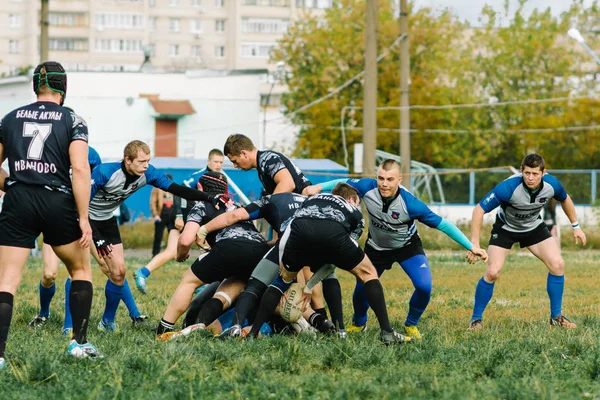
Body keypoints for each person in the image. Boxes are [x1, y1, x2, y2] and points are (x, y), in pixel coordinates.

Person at [302, 160, 488, 340]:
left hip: (407, 248)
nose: (384, 184)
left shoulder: (411, 204)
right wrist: (317, 188)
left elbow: (443, 225)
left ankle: (411, 324)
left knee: (424, 287)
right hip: (376, 249)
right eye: (380, 178)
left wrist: (472, 247)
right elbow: (342, 183)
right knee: (361, 289)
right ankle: (359, 323)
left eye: (389, 179)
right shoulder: (367, 187)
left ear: (399, 180)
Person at [0, 61, 101, 365]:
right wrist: (84, 218)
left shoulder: (10, 117)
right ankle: (78, 344)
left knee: (7, 279)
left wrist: (14, 187)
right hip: (57, 201)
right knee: (81, 270)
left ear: (35, 86)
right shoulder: (73, 119)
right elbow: (81, 169)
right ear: (63, 87)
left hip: (18, 201)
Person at [90, 141, 228, 332]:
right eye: (141, 161)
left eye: (148, 160)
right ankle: (69, 326)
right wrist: (96, 237)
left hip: (106, 220)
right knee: (80, 271)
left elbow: (176, 189)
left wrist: (209, 197)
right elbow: (78, 206)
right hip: (83, 219)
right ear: (127, 160)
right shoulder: (104, 172)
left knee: (119, 271)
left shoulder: (148, 173)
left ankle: (107, 322)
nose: (146, 165)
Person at [247, 183, 410, 344]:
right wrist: (310, 286)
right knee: (368, 274)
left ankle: (253, 332)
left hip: (298, 232)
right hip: (332, 231)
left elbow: (291, 226)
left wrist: (285, 263)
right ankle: (386, 332)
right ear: (353, 199)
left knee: (280, 282)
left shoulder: (310, 200)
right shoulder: (354, 211)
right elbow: (334, 260)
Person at [467, 153, 586, 330]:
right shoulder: (508, 187)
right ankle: (476, 320)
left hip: (533, 228)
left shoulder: (552, 184)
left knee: (558, 264)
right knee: (492, 272)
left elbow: (565, 198)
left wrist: (576, 226)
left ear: (543, 173)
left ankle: (556, 318)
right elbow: (479, 210)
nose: (530, 178)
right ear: (522, 170)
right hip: (505, 229)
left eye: (535, 174)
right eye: (527, 173)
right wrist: (474, 245)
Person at [194, 192, 338, 338]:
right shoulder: (308, 202)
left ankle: (236, 327)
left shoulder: (269, 201)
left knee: (256, 290)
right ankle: (327, 324)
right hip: (320, 241)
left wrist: (203, 230)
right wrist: (304, 288)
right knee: (286, 297)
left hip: (272, 269)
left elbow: (235, 216)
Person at [155, 171, 270, 339]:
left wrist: (181, 255)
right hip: (259, 251)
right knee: (230, 287)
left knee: (189, 280)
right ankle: (200, 327)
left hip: (229, 247)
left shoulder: (202, 205)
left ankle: (164, 327)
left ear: (200, 188)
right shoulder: (238, 206)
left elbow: (186, 240)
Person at [28, 145, 102, 337]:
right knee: (49, 274)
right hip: (52, 218)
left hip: (76, 222)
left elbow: (93, 184)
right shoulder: (48, 151)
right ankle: (44, 313)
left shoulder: (90, 154)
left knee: (76, 273)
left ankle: (69, 325)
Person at [133, 149, 225, 294]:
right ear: (208, 161)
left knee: (176, 251)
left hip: (200, 219)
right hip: (187, 217)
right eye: (216, 162)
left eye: (221, 162)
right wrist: (179, 216)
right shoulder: (198, 176)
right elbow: (180, 193)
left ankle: (143, 272)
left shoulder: (220, 177)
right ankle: (202, 284)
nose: (219, 165)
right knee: (208, 250)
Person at [223, 134, 311, 195]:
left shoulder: (267, 159)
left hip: (308, 208)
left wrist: (267, 205)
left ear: (244, 154)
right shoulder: (262, 164)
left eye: (234, 161)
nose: (235, 166)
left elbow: (288, 184)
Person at [149, 173, 178, 257]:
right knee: (158, 236)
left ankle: (172, 254)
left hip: (172, 215)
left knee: (173, 235)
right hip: (161, 215)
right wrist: (155, 215)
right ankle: (155, 254)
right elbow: (153, 202)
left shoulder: (174, 188)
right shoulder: (157, 189)